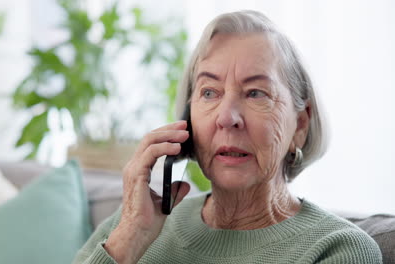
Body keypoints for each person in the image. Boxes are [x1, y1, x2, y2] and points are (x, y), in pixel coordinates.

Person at [73, 10, 382, 264]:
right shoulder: (131, 222)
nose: (226, 117)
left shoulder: (338, 249)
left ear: (299, 126)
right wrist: (131, 237)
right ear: (188, 120)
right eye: (209, 92)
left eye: (255, 93)